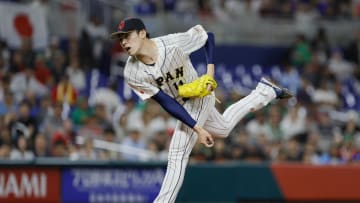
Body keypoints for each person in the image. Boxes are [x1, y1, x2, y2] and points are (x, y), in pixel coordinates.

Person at [111, 17, 292, 203]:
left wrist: (209, 74)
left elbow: (208, 37)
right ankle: (265, 92)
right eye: (120, 38)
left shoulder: (173, 43)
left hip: (199, 96)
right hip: (180, 103)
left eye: (127, 36)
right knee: (224, 127)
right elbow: (166, 102)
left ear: (142, 33)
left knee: (177, 153)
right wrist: (198, 128)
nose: (123, 42)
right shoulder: (131, 72)